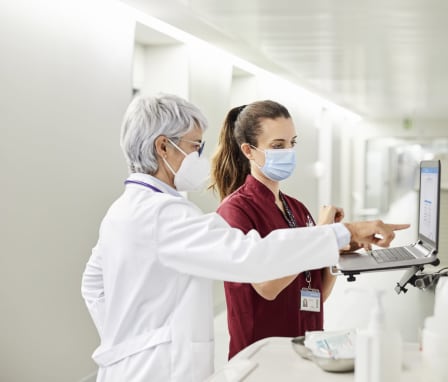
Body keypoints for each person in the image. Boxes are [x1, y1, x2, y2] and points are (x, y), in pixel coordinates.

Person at [81, 93, 409, 382]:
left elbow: (92, 284)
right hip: (156, 370)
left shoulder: (124, 210)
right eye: (195, 145)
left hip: (136, 365)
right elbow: (253, 259)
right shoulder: (163, 215)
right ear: (163, 146)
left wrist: (126, 339)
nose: (200, 155)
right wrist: (341, 233)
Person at [210, 100, 355, 359]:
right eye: (278, 146)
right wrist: (320, 235)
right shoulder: (235, 212)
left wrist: (335, 249)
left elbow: (318, 293)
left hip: (306, 344)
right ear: (249, 151)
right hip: (262, 354)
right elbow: (267, 287)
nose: (288, 151)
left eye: (292, 143)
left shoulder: (297, 209)